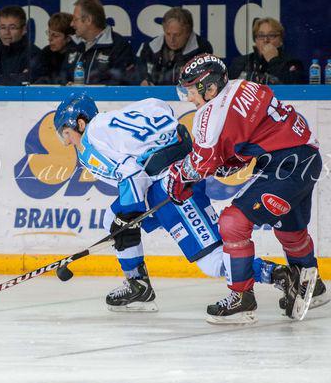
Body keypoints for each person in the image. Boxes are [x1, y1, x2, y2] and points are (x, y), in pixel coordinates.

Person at [53, 92, 299, 324]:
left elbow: (131, 176)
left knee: (212, 261)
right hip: (179, 173)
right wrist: (125, 217)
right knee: (112, 217)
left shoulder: (89, 143)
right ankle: (137, 285)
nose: (67, 143)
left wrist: (128, 217)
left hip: (172, 186)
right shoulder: (116, 118)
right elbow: (160, 106)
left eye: (66, 134)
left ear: (81, 123)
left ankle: (278, 274)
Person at [167, 53, 328, 324]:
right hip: (307, 158)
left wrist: (178, 177)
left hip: (284, 166)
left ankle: (242, 298)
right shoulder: (245, 85)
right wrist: (229, 161)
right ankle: (314, 285)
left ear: (210, 88)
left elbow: (201, 163)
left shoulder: (209, 113)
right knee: (290, 230)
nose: (189, 98)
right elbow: (248, 136)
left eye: (192, 90)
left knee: (232, 223)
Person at [62, 0, 138, 85]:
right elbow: (62, 78)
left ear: (88, 20)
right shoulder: (74, 45)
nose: (71, 24)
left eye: (75, 19)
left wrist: (89, 90)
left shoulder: (119, 46)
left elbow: (122, 85)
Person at [137, 7, 213, 86]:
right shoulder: (150, 48)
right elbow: (135, 74)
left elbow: (205, 81)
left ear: (188, 33)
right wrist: (143, 81)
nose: (172, 39)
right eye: (168, 34)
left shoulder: (202, 50)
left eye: (177, 35)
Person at [0, 5, 41, 86]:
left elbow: (29, 81)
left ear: (24, 29)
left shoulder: (35, 54)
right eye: (3, 27)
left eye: (12, 28)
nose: (7, 32)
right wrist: (15, 78)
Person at [228, 17, 305, 84]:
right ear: (255, 40)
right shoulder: (240, 63)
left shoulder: (292, 63)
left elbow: (294, 89)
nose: (266, 40)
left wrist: (273, 61)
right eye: (261, 35)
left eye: (271, 35)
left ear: (280, 39)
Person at [32, 12, 74, 84]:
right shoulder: (47, 52)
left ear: (68, 38)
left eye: (55, 36)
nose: (50, 39)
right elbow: (33, 74)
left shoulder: (76, 55)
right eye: (49, 33)